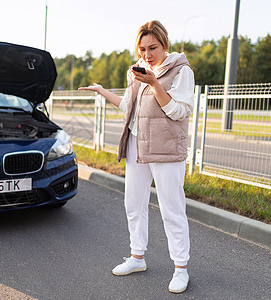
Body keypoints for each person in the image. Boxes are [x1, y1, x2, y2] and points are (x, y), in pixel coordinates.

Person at [78, 20, 195, 294]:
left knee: (171, 209)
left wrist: (154, 83)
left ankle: (181, 268)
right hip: (136, 146)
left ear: (164, 44)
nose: (147, 54)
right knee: (133, 203)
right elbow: (127, 106)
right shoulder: (137, 72)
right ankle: (137, 257)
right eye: (142, 49)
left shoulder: (181, 70)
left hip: (166, 149)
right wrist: (103, 91)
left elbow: (180, 111)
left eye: (152, 48)